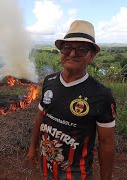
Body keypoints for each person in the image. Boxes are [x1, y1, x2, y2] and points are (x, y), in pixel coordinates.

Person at [27, 20, 116, 180]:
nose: (72, 54)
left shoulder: (101, 94)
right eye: (67, 48)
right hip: (47, 167)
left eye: (81, 50)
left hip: (76, 175)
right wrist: (33, 147)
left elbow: (106, 143)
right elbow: (41, 116)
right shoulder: (50, 81)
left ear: (92, 56)